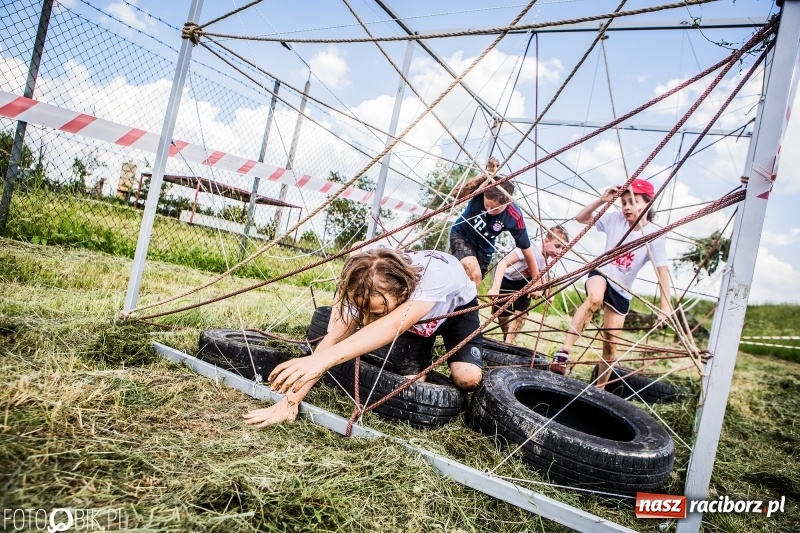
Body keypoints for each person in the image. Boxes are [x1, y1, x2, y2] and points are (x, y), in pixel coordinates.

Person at [243, 246, 483, 427]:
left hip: (456, 311)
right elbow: (335, 338)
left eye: (376, 313)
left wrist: (319, 361)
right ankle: (423, 355)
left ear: (404, 292)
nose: (367, 322)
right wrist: (290, 402)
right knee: (407, 388)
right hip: (414, 322)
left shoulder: (435, 277)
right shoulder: (366, 285)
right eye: (363, 312)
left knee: (467, 378)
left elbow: (393, 326)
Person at [550, 179, 673, 388]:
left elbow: (662, 272)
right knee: (595, 298)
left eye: (633, 202)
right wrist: (602, 200)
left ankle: (599, 390)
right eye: (623, 202)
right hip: (602, 273)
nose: (626, 207)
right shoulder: (615, 219)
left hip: (622, 289)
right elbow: (581, 218)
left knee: (610, 347)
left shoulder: (654, 236)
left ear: (648, 204)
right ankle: (563, 353)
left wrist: (665, 306)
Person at [449, 157, 540, 291]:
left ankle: (460, 303)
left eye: (495, 209)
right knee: (473, 274)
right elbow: (456, 194)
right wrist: (486, 176)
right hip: (462, 235)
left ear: (508, 203)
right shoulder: (480, 190)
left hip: (484, 249)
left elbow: (526, 249)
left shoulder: (514, 216)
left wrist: (536, 281)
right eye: (487, 205)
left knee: (473, 284)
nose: (489, 211)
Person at [487, 226, 570, 344]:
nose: (559, 251)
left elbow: (543, 274)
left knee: (521, 314)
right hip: (508, 278)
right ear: (546, 241)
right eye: (557, 246)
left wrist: (547, 291)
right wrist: (495, 288)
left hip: (525, 281)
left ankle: (509, 343)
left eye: (563, 249)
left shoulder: (551, 258)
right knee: (502, 315)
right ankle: (506, 337)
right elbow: (503, 263)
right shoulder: (530, 247)